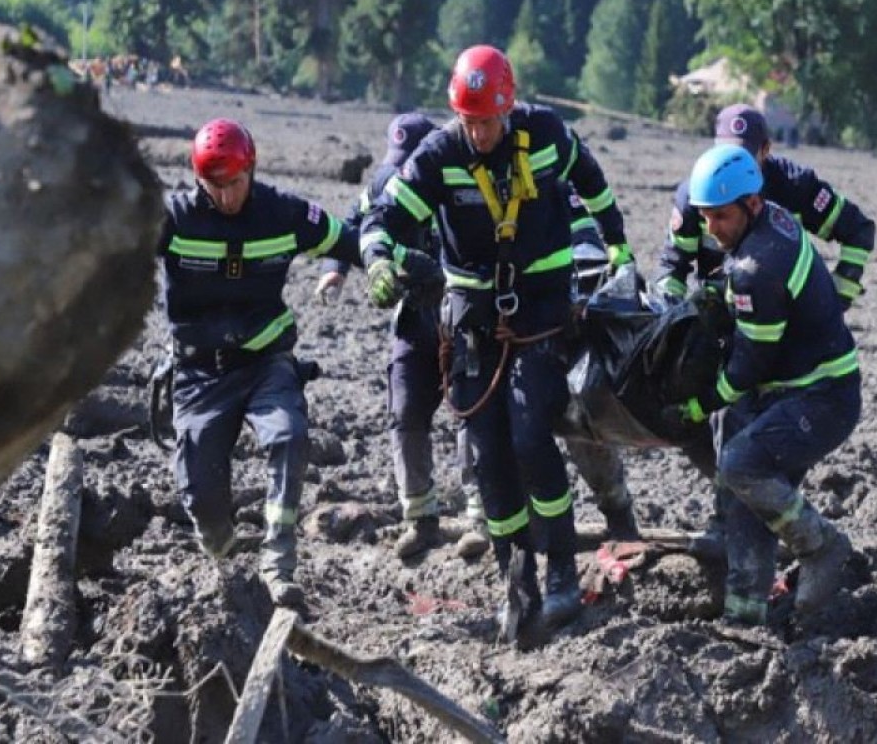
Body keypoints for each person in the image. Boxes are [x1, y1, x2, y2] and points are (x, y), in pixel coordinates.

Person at [361, 45, 635, 635]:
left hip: (540, 310)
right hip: (473, 316)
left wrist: (616, 242)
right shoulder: (438, 155)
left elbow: (592, 180)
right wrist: (379, 260)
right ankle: (517, 577)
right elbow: (383, 218)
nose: (478, 132)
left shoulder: (547, 136)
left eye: (487, 120)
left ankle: (561, 569)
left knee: (530, 433)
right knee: (486, 453)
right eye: (468, 120)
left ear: (507, 110)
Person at [158, 118, 364, 609]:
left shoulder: (284, 213)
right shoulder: (173, 219)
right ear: (198, 180)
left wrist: (383, 264)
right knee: (203, 504)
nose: (226, 196)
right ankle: (226, 555)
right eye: (215, 186)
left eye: (235, 183)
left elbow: (348, 238)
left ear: (251, 169)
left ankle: (278, 561)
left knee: (289, 435)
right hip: (199, 372)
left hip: (265, 360)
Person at [677, 144, 862, 627]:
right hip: (792, 387)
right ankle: (745, 617)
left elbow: (748, 366)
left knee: (741, 462)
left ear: (751, 205)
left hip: (823, 396)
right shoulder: (771, 220)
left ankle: (821, 546)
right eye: (704, 217)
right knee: (741, 487)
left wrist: (700, 405)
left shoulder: (756, 267)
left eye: (720, 217)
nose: (711, 229)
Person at [316, 112, 490, 561]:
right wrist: (335, 272)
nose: (403, 169)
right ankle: (420, 517)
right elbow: (352, 227)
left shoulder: (459, 182)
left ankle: (481, 517)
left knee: (470, 411)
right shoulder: (382, 184)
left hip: (464, 314)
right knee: (406, 408)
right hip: (415, 315)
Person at [653, 104, 875, 308]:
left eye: (744, 156)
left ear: (766, 149)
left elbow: (858, 231)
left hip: (785, 316)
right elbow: (673, 266)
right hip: (719, 311)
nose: (733, 165)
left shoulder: (794, 186)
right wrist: (668, 311)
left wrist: (837, 299)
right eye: (726, 154)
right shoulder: (695, 196)